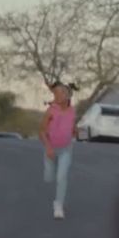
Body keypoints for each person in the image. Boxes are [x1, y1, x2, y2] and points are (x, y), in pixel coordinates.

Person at [39, 80, 77, 219]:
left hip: (66, 149)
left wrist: (75, 132)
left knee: (61, 177)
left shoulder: (73, 111)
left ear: (68, 96)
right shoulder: (50, 111)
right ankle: (49, 168)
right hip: (51, 148)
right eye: (56, 93)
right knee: (49, 177)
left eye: (61, 93)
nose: (57, 96)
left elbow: (72, 127)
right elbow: (42, 132)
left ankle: (58, 205)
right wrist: (48, 148)